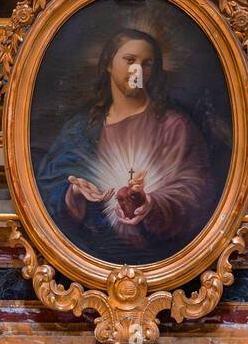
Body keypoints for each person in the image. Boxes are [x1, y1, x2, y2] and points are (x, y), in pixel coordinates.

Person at [35, 28, 216, 264]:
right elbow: (47, 189)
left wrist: (151, 203)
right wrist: (75, 192)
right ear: (109, 63)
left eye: (147, 64)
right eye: (130, 60)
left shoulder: (174, 126)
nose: (137, 70)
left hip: (157, 260)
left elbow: (196, 192)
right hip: (87, 259)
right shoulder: (81, 128)